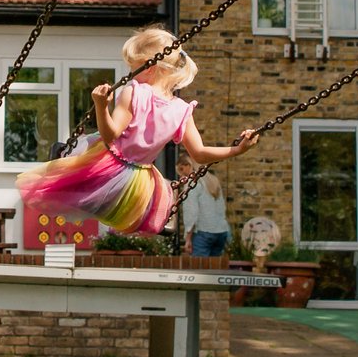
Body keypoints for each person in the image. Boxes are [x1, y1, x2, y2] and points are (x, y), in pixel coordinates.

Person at [14, 27, 260, 237]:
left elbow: (110, 136)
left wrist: (101, 106)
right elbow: (200, 153)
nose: (130, 73)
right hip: (138, 180)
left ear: (149, 67)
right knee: (106, 203)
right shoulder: (181, 110)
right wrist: (236, 150)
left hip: (110, 161)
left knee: (77, 178)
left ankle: (63, 157)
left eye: (133, 67)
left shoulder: (134, 92)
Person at [183, 168, 231, 259]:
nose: (181, 176)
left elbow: (191, 212)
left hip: (203, 232)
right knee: (215, 267)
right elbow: (222, 208)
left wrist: (188, 238)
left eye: (181, 170)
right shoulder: (213, 180)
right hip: (221, 231)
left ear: (188, 166)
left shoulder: (193, 183)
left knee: (199, 267)